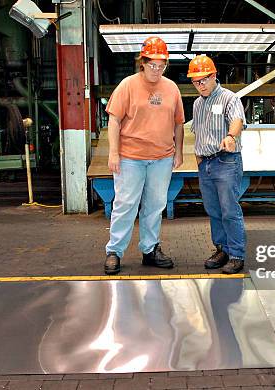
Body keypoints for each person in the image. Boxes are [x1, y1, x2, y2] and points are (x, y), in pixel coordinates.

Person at [104, 36, 185, 275]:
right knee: (125, 204)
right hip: (130, 157)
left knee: (155, 205)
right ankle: (114, 252)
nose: (157, 69)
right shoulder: (127, 86)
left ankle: (150, 250)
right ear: (143, 61)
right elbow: (114, 120)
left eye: (162, 65)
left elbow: (179, 123)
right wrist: (113, 152)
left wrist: (178, 152)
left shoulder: (171, 88)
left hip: (162, 158)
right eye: (153, 64)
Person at [188, 55, 246, 274]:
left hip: (226, 161)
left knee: (229, 210)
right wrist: (199, 161)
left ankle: (236, 254)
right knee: (213, 210)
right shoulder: (196, 104)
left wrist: (231, 137)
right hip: (206, 165)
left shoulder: (230, 98)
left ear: (214, 76)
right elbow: (198, 134)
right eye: (195, 82)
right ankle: (221, 249)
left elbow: (237, 120)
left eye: (203, 80)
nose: (200, 85)